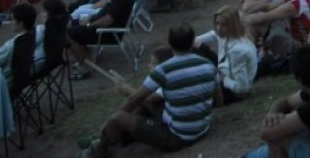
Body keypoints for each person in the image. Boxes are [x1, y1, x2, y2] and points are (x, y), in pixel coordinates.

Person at [80, 24, 216, 158]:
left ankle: (100, 148)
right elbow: (218, 99)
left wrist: (111, 119)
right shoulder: (207, 64)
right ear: (192, 41)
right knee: (145, 103)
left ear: (170, 43)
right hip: (202, 127)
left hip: (178, 137)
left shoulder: (164, 69)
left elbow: (134, 99)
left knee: (118, 118)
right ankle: (120, 134)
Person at [67, 0, 138, 79]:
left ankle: (84, 66)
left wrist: (90, 24)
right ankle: (86, 58)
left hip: (107, 32)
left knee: (69, 33)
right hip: (102, 25)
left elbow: (107, 21)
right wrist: (90, 19)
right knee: (74, 22)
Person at [192, 6, 257, 105]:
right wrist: (192, 40)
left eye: (223, 25)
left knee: (192, 94)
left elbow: (242, 89)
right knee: (195, 47)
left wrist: (223, 79)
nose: (219, 28)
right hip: (223, 71)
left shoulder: (238, 50)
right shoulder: (228, 35)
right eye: (217, 23)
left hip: (232, 93)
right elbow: (213, 35)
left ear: (232, 26)